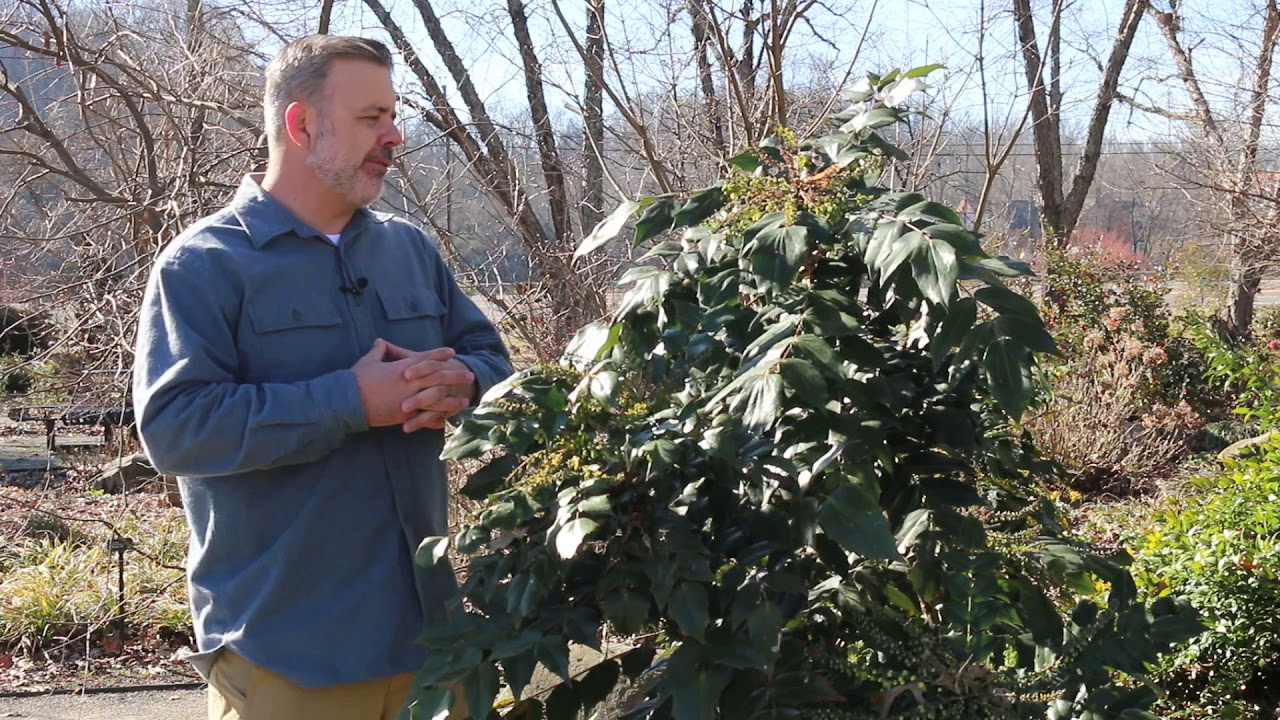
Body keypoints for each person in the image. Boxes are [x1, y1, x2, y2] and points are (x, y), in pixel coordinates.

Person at [132, 35, 511, 720]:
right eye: (371, 118)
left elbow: (491, 361)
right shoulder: (202, 265)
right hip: (289, 659)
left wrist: (463, 382)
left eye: (392, 116)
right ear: (302, 124)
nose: (394, 136)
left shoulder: (408, 249)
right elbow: (176, 429)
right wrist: (350, 400)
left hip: (435, 650)